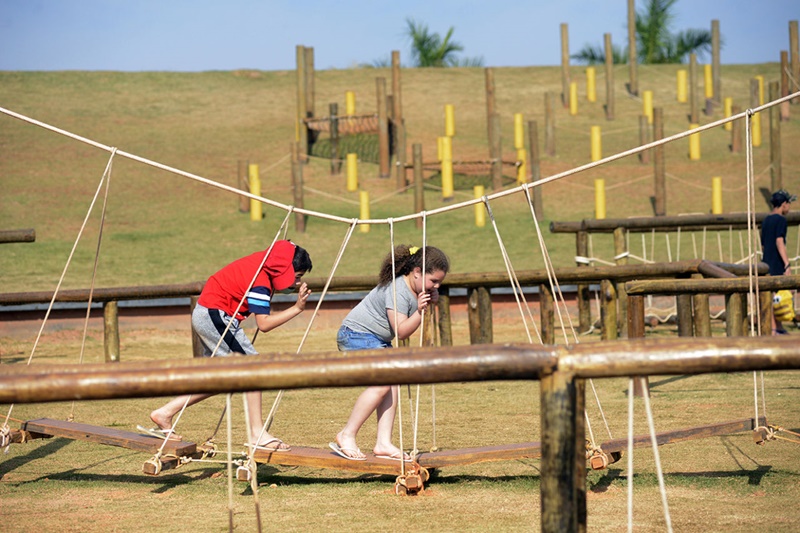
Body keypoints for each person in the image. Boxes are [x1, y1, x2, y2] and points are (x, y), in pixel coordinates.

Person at [144, 240, 312, 451]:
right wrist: (297, 308)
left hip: (207, 313)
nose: (296, 282)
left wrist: (290, 284)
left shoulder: (266, 261)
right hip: (216, 315)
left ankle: (165, 413)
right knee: (254, 368)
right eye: (297, 277)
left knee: (220, 378)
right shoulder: (260, 280)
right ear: (285, 270)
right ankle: (256, 434)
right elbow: (264, 324)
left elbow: (277, 278)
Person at [329, 245, 450, 461]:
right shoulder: (397, 291)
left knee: (392, 381)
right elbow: (402, 332)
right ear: (416, 273)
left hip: (376, 340)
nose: (437, 285)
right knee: (382, 383)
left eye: (440, 282)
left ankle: (383, 443)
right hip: (356, 335)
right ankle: (346, 434)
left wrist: (429, 302)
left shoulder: (417, 290)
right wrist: (421, 312)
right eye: (433, 281)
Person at [761, 189, 796, 335]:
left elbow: (763, 244)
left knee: (772, 296)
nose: (789, 206)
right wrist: (787, 264)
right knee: (778, 294)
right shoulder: (781, 220)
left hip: (766, 262)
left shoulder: (766, 220)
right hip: (776, 262)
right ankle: (775, 328)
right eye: (789, 203)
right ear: (783, 204)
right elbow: (779, 241)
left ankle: (777, 326)